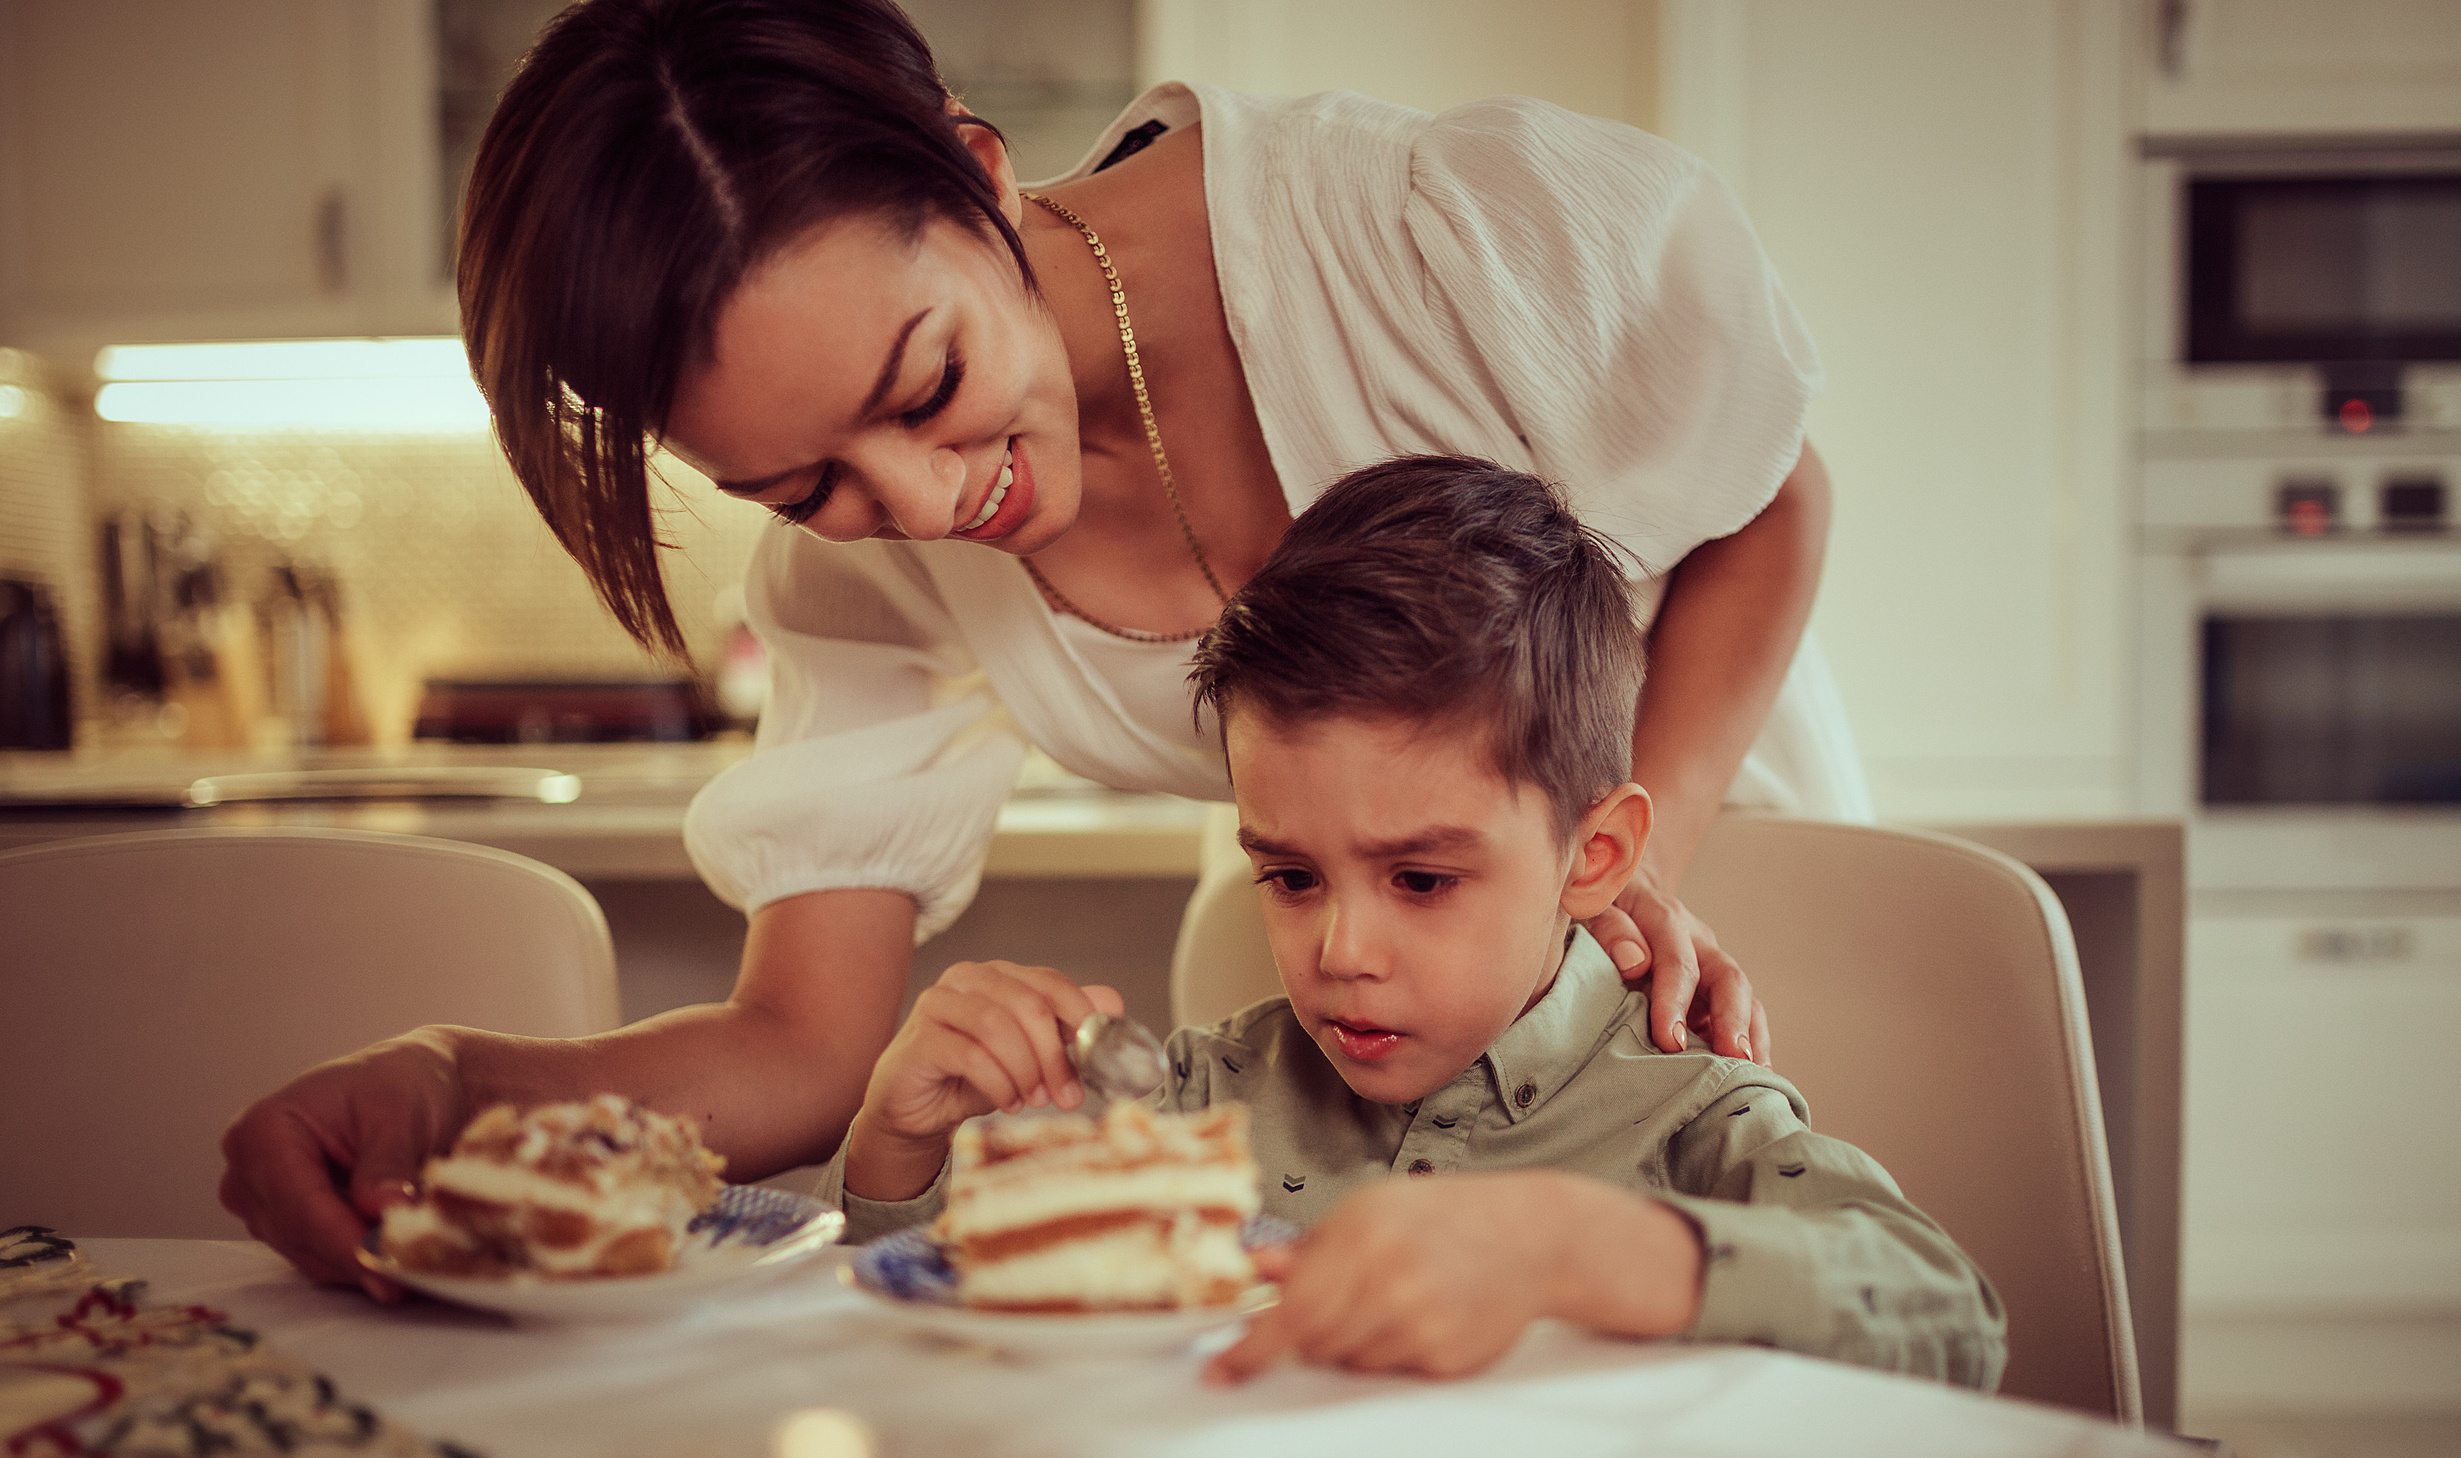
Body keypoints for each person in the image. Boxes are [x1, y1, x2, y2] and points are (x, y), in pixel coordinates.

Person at [218, 0, 1872, 1301]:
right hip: (1413, 1068)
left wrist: (1630, 851)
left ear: (978, 170)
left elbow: (1767, 494)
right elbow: (802, 1042)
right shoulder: (861, 577)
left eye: (927, 386)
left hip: (1711, 977)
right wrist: (449, 1090)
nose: (928, 503)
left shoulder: (1421, 231)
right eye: (808, 485)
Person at [836, 457, 2002, 1387]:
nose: (1341, 956)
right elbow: (966, 1343)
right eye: (1291, 878)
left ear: (1592, 858)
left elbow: (1950, 1315)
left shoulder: (1690, 1115)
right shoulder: (1186, 1108)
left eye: (1423, 880)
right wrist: (903, 1152)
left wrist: (1576, 1249)